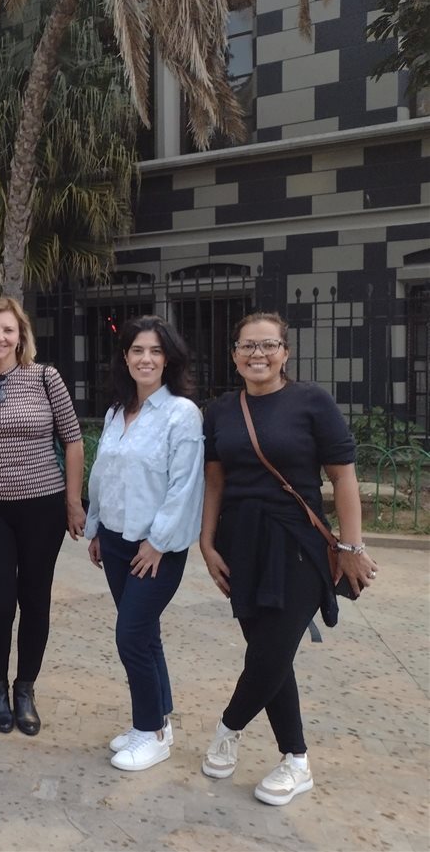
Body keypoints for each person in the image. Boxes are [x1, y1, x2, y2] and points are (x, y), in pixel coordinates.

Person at [199, 311, 378, 806]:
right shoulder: (220, 411)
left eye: (268, 346)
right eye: (247, 347)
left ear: (285, 352)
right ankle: (295, 761)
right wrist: (207, 542)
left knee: (272, 653)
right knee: (269, 656)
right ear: (233, 354)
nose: (258, 355)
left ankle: (227, 728)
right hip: (241, 544)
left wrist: (351, 546)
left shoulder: (311, 402)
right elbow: (216, 481)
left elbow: (343, 477)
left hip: (297, 543)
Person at [0, 296, 84, 735]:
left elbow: (73, 439)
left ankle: (25, 687)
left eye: (8, 330)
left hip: (43, 508)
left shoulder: (46, 378)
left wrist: (72, 501)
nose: (0, 337)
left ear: (21, 336)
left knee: (35, 599)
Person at [83, 316, 204, 770]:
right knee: (145, 634)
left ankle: (148, 730)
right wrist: (96, 529)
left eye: (155, 351)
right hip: (114, 542)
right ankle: (161, 721)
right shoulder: (118, 412)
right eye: (137, 350)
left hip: (155, 549)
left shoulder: (181, 414)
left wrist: (157, 543)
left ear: (168, 359)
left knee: (131, 635)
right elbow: (102, 475)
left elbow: (184, 487)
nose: (146, 359)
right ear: (125, 357)